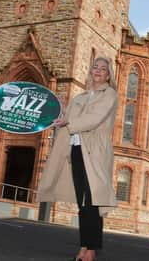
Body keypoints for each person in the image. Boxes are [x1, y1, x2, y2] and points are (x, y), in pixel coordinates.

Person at [37, 57, 118, 261]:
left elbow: (94, 119)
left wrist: (68, 121)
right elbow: (68, 119)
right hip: (76, 150)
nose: (98, 71)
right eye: (95, 67)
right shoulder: (81, 97)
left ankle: (91, 249)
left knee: (93, 200)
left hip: (95, 152)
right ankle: (84, 246)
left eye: (103, 69)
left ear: (108, 75)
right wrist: (61, 114)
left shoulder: (109, 95)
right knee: (83, 202)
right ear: (90, 72)